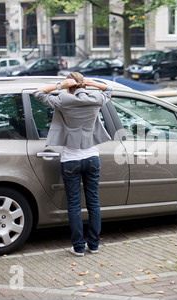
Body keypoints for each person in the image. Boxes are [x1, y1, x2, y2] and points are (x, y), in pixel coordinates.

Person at [34, 72, 113, 256]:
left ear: (70, 84)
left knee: (74, 205)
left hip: (70, 159)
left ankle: (78, 247)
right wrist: (94, 82)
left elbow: (38, 93)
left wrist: (60, 85)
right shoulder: (96, 99)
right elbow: (109, 90)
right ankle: (93, 245)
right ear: (83, 84)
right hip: (92, 157)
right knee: (93, 202)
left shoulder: (62, 100)